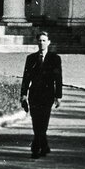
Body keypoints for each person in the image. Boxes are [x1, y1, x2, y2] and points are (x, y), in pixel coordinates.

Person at [20, 30, 63, 159]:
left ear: (48, 42)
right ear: (36, 42)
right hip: (34, 95)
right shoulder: (31, 58)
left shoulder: (55, 58)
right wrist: (23, 94)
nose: (41, 43)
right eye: (39, 40)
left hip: (47, 95)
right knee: (36, 122)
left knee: (43, 122)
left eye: (44, 40)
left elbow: (58, 78)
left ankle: (35, 148)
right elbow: (26, 78)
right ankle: (43, 146)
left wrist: (58, 96)